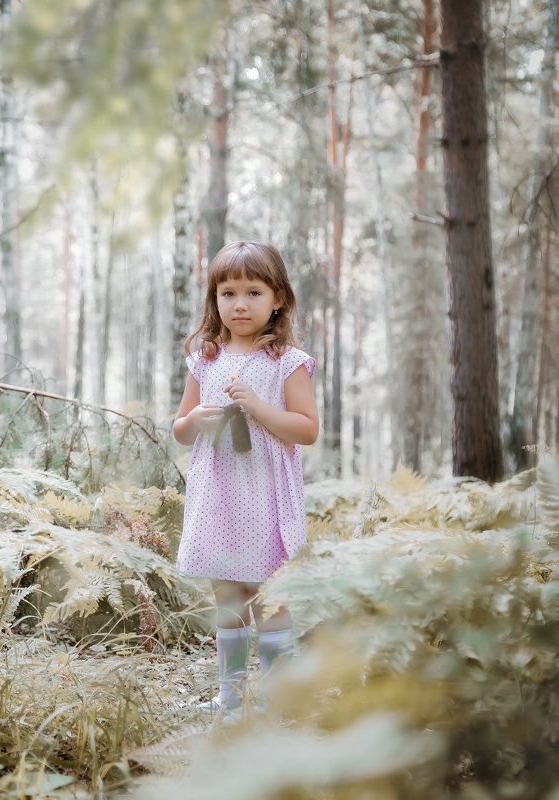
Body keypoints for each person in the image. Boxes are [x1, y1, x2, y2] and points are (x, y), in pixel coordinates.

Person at [171, 240, 319, 713]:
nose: (239, 304)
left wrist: (258, 406)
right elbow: (181, 428)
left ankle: (278, 699)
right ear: (214, 298)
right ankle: (230, 697)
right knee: (229, 596)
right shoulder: (206, 359)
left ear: (278, 298)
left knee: (271, 597)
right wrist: (198, 421)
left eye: (254, 292)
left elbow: (307, 429)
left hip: (266, 496)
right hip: (219, 496)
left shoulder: (286, 361)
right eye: (228, 292)